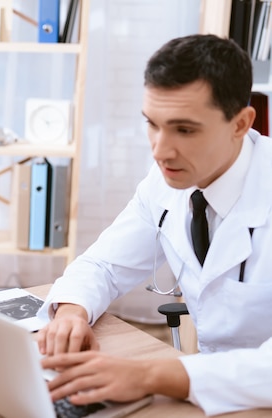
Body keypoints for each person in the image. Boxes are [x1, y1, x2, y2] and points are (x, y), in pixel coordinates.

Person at [35, 34, 272, 416]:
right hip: (211, 396)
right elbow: (104, 264)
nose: (160, 151)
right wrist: (71, 312)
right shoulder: (166, 182)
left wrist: (150, 375)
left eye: (185, 130)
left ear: (241, 123)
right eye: (153, 124)